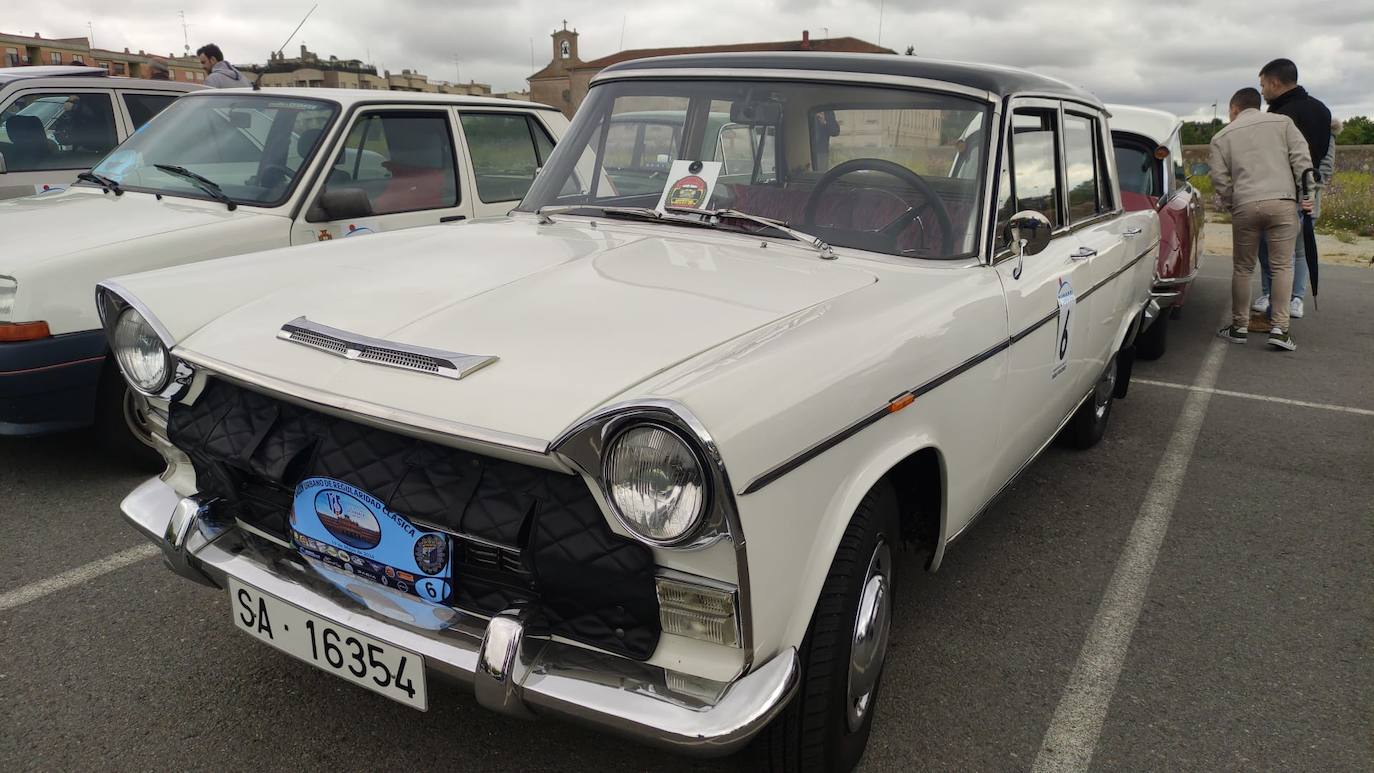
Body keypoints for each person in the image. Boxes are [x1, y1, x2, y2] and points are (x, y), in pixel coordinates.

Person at [1209, 87, 1311, 351]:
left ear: (1234, 109)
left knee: (1243, 268)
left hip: (1245, 203)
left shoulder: (1221, 136)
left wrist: (1234, 201)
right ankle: (1279, 329)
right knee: (1282, 266)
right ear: (1257, 104)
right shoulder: (1283, 123)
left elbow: (1219, 179)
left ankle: (1239, 326)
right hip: (1283, 201)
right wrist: (1305, 195)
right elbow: (1302, 160)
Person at [1250, 58, 1331, 319]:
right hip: (1310, 188)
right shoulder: (1322, 109)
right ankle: (1296, 299)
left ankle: (1272, 295)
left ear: (1275, 82)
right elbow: (1326, 151)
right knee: (1300, 246)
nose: (1262, 92)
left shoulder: (1278, 116)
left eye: (1263, 85)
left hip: (1280, 189)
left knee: (1269, 247)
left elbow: (1268, 156)